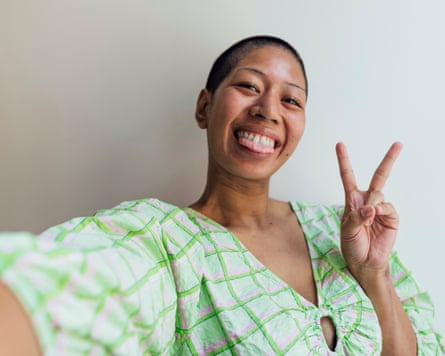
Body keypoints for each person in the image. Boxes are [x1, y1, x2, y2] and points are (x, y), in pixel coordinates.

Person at [0, 35, 443, 356]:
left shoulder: (341, 229)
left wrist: (373, 273)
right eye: (249, 86)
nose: (268, 110)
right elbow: (79, 287)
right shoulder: (165, 244)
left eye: (291, 101)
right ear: (203, 107)